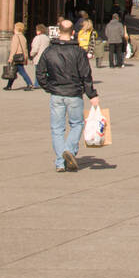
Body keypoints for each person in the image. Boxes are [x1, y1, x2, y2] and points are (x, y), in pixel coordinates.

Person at [37, 20, 100, 172]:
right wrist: (92, 94)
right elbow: (86, 74)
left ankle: (60, 162)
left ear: (58, 32)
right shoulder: (78, 52)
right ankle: (69, 151)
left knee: (57, 129)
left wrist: (49, 87)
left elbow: (40, 73)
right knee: (76, 124)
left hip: (57, 94)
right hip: (74, 93)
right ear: (73, 33)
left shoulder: (49, 51)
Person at [3, 22, 35, 90]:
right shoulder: (23, 37)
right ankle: (9, 86)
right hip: (21, 57)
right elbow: (25, 48)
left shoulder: (16, 36)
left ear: (17, 28)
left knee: (21, 71)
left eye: (14, 27)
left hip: (16, 57)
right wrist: (25, 57)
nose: (13, 29)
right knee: (13, 71)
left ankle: (29, 84)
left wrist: (10, 58)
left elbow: (14, 49)